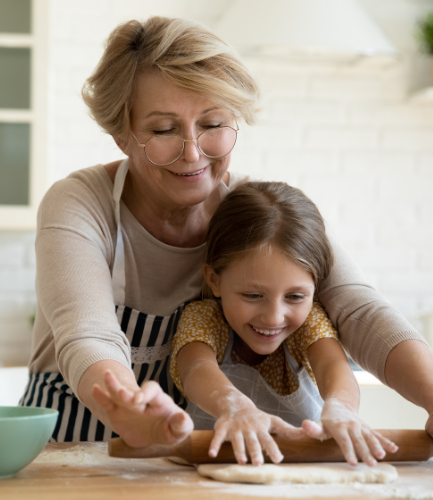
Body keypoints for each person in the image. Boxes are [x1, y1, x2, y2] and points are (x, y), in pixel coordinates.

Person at [22, 15, 433, 452]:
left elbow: (356, 308)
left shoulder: (253, 213)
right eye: (163, 130)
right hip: (67, 451)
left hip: (173, 456)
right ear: (121, 132)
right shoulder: (80, 203)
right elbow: (86, 334)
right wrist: (130, 408)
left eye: (213, 124)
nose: (193, 152)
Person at [170, 181, 398, 466]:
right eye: (253, 295)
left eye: (295, 296)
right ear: (214, 279)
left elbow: (333, 366)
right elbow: (195, 369)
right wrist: (235, 407)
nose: (274, 317)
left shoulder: (308, 323)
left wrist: (342, 408)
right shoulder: (204, 319)